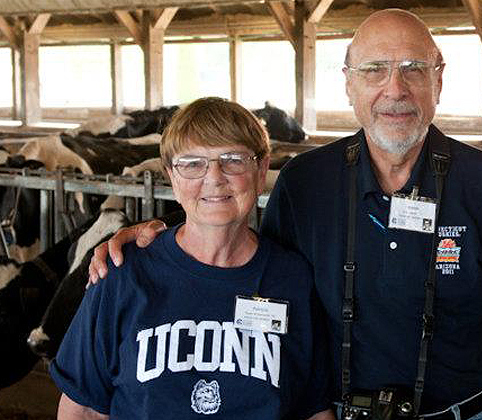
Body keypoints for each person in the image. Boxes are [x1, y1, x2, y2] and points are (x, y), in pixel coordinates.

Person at [89, 10, 482, 420]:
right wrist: (153, 244)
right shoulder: (304, 182)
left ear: (439, 80)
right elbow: (250, 275)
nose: (395, 88)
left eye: (414, 69)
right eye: (375, 70)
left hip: (471, 413)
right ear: (349, 84)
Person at [51, 97, 334, 420]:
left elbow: (314, 411)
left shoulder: (293, 278)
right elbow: (83, 409)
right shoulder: (122, 273)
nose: (214, 177)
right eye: (192, 163)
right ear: (172, 176)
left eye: (233, 159)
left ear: (261, 169)